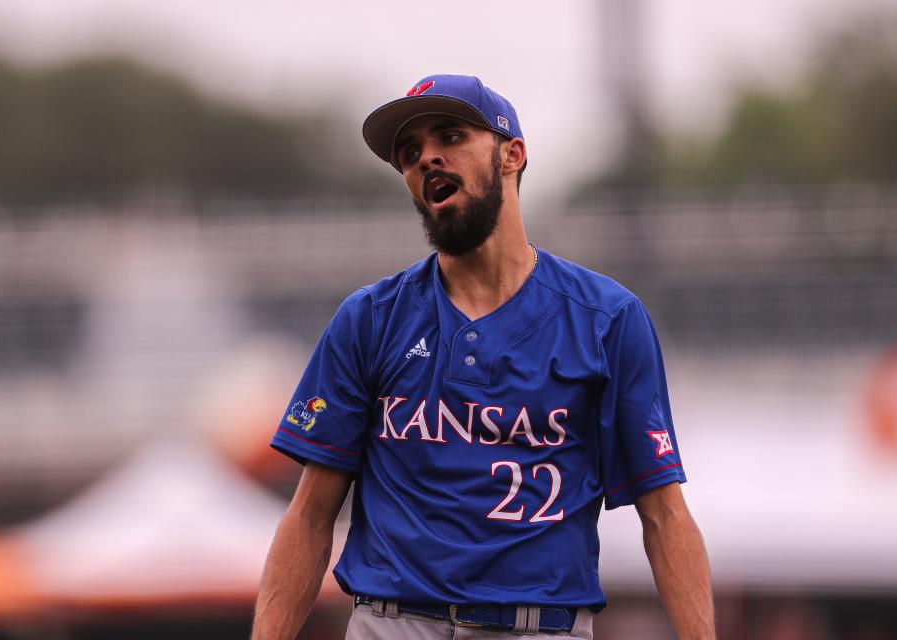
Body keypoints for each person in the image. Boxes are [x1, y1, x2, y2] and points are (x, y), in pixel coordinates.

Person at [251, 74, 715, 640]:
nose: (427, 160)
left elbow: (665, 516)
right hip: (393, 622)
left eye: (450, 136)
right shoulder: (370, 319)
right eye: (409, 153)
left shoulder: (607, 319)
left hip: (537, 626)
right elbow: (308, 515)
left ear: (512, 155)